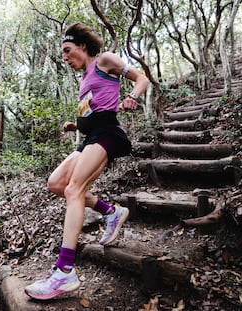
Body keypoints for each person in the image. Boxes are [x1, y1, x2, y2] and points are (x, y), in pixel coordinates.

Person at [24, 22, 150, 300]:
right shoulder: (83, 80)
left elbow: (141, 78)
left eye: (68, 51)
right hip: (91, 136)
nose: (66, 58)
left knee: (74, 190)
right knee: (56, 183)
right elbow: (94, 109)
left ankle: (64, 270)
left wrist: (132, 96)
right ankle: (111, 212)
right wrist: (75, 126)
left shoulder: (105, 60)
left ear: (82, 46)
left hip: (107, 134)